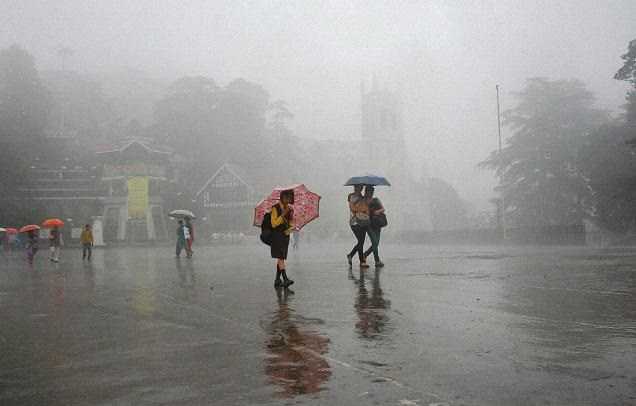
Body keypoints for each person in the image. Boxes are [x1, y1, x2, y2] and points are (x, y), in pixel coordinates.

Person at [271, 189, 295, 288]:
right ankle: (285, 278)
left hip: (285, 236)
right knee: (281, 257)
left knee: (281, 258)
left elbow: (291, 225)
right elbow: (274, 224)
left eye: (290, 198)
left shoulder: (289, 209)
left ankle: (277, 280)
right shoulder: (275, 208)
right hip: (277, 236)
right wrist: (283, 214)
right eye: (287, 197)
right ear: (283, 197)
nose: (289, 199)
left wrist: (291, 219)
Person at [346, 184, 370, 269]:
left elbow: (366, 209)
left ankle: (351, 255)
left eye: (361, 187)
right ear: (355, 187)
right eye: (358, 187)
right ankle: (362, 261)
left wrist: (363, 210)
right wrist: (361, 209)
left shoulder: (363, 198)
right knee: (360, 241)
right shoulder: (351, 196)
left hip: (362, 221)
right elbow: (352, 208)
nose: (359, 189)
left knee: (361, 242)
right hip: (354, 222)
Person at [363, 185, 385, 268]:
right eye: (369, 191)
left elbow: (383, 209)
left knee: (376, 243)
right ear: (366, 191)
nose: (370, 193)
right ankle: (377, 260)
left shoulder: (376, 200)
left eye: (372, 191)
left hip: (377, 223)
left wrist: (377, 211)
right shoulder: (363, 201)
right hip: (369, 224)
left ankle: (365, 254)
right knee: (374, 242)